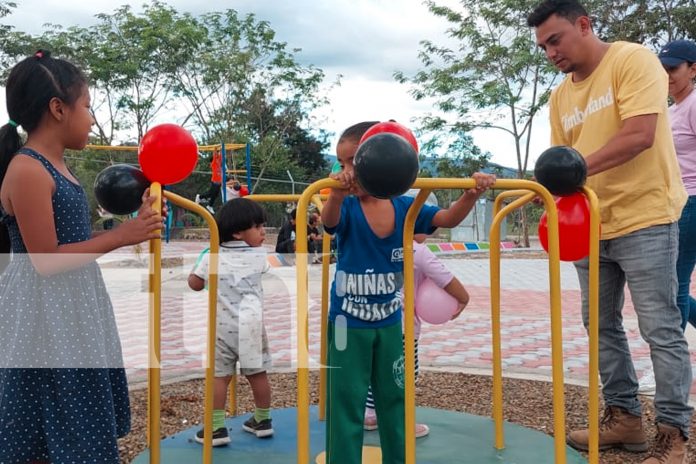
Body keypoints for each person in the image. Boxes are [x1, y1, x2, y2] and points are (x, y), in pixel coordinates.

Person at [528, 2, 693, 462]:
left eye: (555, 39)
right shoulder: (560, 97)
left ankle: (673, 433)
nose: (550, 53)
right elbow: (562, 164)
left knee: (660, 327)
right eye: (542, 46)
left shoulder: (632, 59)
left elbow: (640, 133)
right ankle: (624, 418)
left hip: (645, 217)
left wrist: (576, 167)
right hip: (591, 221)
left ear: (584, 24)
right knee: (598, 325)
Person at [0, 50, 164, 464]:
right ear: (57, 109)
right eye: (87, 106)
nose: (92, 118)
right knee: (46, 415)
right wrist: (123, 236)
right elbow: (46, 260)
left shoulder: (59, 165)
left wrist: (129, 225)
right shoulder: (28, 169)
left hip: (72, 307)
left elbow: (69, 241)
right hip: (44, 314)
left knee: (69, 414)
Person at [322, 120, 495, 463]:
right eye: (341, 164)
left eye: (354, 162)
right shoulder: (348, 207)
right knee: (345, 399)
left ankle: (399, 457)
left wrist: (471, 194)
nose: (347, 171)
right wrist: (337, 193)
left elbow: (446, 219)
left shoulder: (406, 209)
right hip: (347, 325)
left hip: (390, 323)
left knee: (394, 398)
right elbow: (329, 223)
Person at [363, 229, 470, 438]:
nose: (429, 234)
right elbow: (445, 278)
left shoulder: (378, 244)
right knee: (405, 374)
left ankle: (369, 413)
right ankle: (402, 420)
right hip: (401, 326)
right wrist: (463, 299)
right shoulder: (417, 251)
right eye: (429, 228)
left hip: (370, 320)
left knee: (377, 369)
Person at [188, 198, 274, 446]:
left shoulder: (212, 256)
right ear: (237, 232)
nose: (263, 232)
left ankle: (216, 428)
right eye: (257, 227)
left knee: (219, 377)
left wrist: (205, 258)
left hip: (222, 328)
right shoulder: (258, 256)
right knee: (257, 374)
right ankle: (263, 419)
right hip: (252, 326)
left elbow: (194, 284)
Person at [639, 39, 696, 395]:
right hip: (673, 203)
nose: (667, 76)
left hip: (692, 202)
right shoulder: (671, 109)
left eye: (674, 69)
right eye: (662, 69)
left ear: (693, 69)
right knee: (671, 284)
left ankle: (670, 374)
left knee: (669, 287)